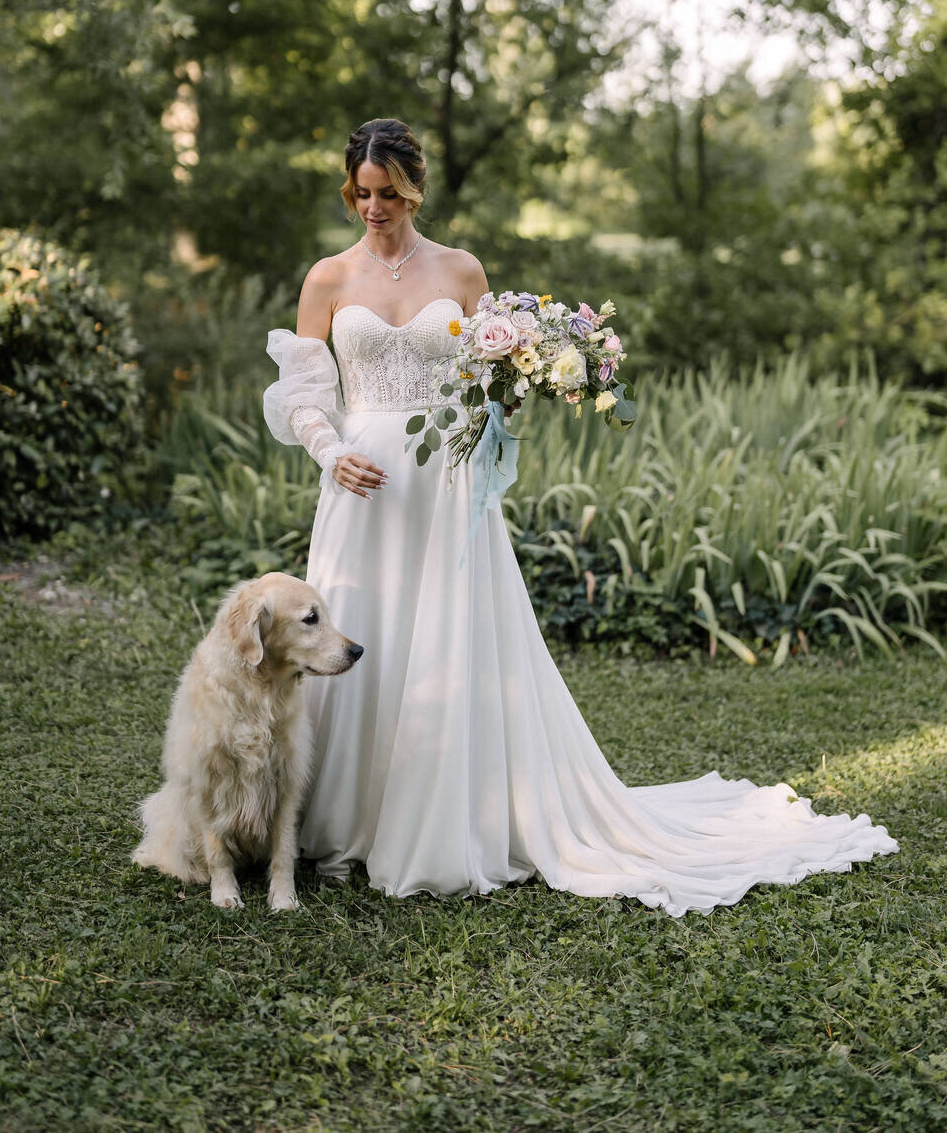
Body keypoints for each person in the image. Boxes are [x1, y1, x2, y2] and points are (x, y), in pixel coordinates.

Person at [263, 117, 897, 914]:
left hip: (444, 484)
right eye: (362, 194)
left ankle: (441, 819)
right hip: (360, 488)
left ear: (415, 189)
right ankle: (336, 822)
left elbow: (489, 384)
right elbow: (303, 393)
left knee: (443, 642)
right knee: (364, 635)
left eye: (389, 194)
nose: (374, 209)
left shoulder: (461, 272)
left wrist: (517, 396)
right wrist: (330, 451)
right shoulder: (328, 278)